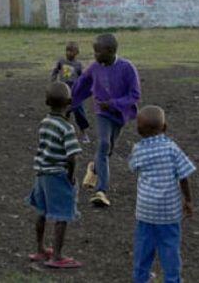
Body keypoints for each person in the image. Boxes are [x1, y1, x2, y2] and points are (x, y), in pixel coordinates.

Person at [72, 34, 141, 207]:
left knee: (108, 150)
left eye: (97, 51)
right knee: (103, 145)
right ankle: (101, 191)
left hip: (119, 115)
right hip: (101, 113)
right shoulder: (94, 67)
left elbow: (135, 94)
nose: (94, 55)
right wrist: (69, 101)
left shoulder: (127, 68)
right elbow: (82, 83)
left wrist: (114, 104)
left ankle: (94, 168)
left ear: (110, 51)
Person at [129, 106, 195, 283]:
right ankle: (172, 279)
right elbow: (184, 176)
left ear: (138, 130)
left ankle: (140, 278)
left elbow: (133, 167)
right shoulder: (172, 149)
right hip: (169, 213)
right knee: (170, 249)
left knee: (143, 248)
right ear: (164, 127)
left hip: (145, 211)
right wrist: (188, 200)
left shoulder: (138, 150)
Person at [26, 82, 83, 269]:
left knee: (41, 212)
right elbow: (72, 156)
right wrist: (72, 176)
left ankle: (40, 248)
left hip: (41, 174)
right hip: (58, 175)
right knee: (62, 215)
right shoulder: (66, 128)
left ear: (46, 102)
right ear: (69, 102)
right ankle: (57, 255)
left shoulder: (45, 122)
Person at [51, 41, 90, 143]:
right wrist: (53, 81)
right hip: (64, 91)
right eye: (67, 50)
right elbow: (55, 70)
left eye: (71, 51)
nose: (68, 53)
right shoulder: (61, 61)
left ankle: (83, 132)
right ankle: (63, 132)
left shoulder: (78, 65)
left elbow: (83, 78)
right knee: (64, 112)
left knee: (79, 112)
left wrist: (83, 90)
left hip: (75, 92)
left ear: (77, 52)